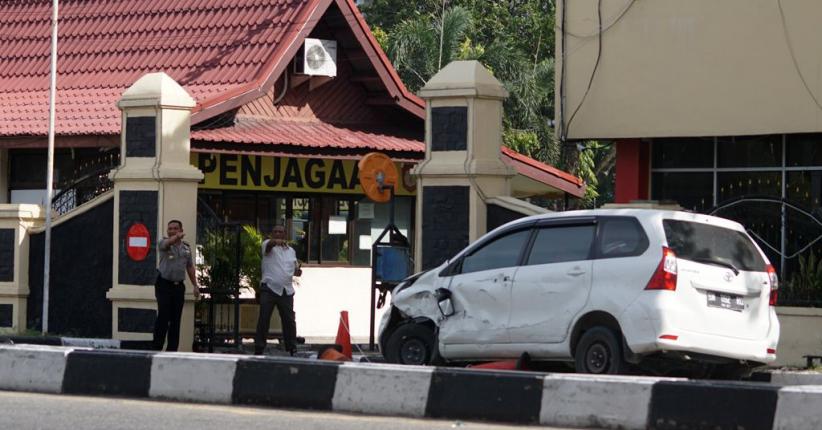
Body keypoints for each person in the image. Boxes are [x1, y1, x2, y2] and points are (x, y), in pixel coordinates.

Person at [153, 219, 200, 351]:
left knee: (176, 319)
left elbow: (189, 267)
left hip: (178, 287)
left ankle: (172, 350)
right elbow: (168, 242)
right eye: (170, 229)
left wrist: (195, 285)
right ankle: (156, 348)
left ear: (181, 230)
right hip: (164, 285)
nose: (172, 231)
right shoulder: (163, 243)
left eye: (175, 228)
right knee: (163, 316)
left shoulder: (186, 248)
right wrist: (176, 237)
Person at [255, 224, 302, 355]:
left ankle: (292, 347)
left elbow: (295, 270)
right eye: (275, 232)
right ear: (272, 234)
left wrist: (298, 272)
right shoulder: (267, 245)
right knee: (264, 318)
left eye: (280, 232)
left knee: (289, 320)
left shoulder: (291, 251)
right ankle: (259, 348)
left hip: (286, 290)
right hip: (269, 288)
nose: (277, 234)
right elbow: (270, 245)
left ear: (285, 234)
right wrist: (276, 242)